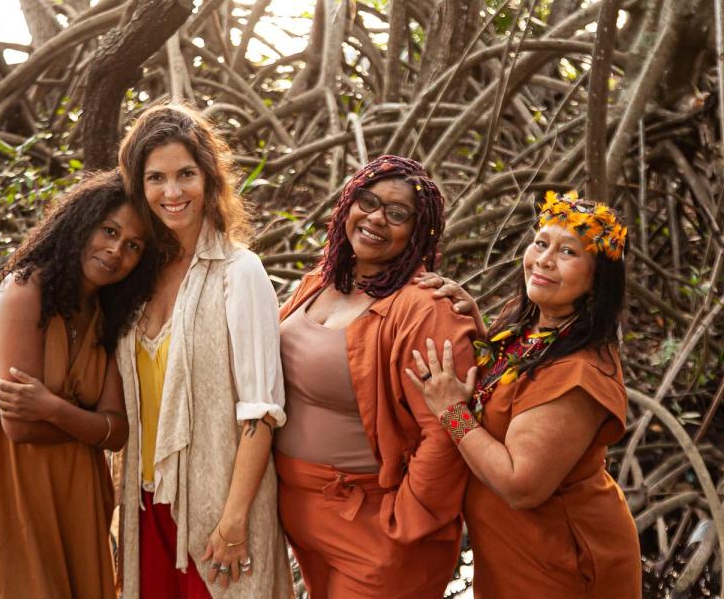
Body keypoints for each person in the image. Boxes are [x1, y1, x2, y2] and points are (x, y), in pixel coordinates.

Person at [409, 191, 641, 598]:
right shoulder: (532, 327)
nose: (544, 259)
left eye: (567, 251)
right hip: (514, 549)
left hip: (563, 562)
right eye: (541, 243)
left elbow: (521, 484)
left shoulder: (577, 373)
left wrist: (452, 413)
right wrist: (476, 329)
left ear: (597, 278)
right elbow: (508, 393)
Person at [0, 171, 160, 599]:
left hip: (75, 498)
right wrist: (88, 425)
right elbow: (19, 428)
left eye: (133, 246)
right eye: (109, 231)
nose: (116, 251)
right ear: (81, 224)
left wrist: (52, 408)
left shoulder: (108, 316)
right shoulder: (24, 292)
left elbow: (118, 432)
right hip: (1, 491)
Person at [274, 155, 478, 598]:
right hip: (302, 521)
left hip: (375, 532)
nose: (376, 218)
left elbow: (445, 430)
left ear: (418, 232)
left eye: (397, 213)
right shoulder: (319, 283)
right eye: (367, 201)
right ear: (348, 203)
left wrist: (406, 521)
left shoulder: (426, 308)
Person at [115, 103, 291, 599]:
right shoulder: (137, 276)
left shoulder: (241, 272)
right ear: (138, 186)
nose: (172, 193)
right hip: (145, 504)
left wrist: (234, 522)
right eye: (156, 178)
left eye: (185, 174)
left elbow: (261, 411)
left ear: (209, 179)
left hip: (219, 509)